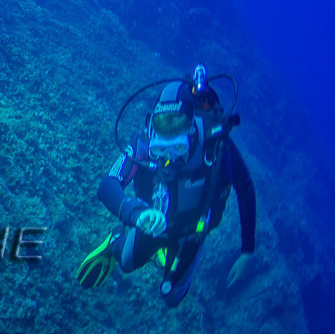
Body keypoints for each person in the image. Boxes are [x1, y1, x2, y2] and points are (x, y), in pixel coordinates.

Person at [75, 65, 256, 306]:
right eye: (161, 148)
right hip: (152, 221)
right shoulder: (144, 142)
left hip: (193, 232)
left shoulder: (216, 144)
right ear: (153, 126)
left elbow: (245, 188)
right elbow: (107, 186)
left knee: (173, 297)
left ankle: (166, 253)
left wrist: (247, 251)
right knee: (127, 263)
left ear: (192, 128)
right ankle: (115, 240)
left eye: (177, 147)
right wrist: (136, 215)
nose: (168, 156)